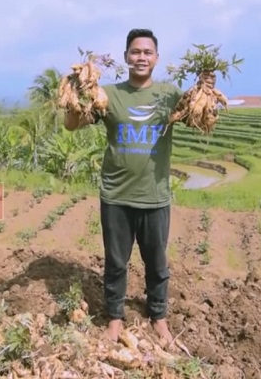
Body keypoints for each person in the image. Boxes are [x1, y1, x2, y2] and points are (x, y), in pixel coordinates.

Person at [64, 28, 183, 345]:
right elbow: (72, 125)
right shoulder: (107, 95)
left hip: (155, 196)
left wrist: (207, 89)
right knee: (116, 262)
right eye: (135, 51)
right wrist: (75, 96)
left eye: (147, 52)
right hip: (116, 195)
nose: (141, 57)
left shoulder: (170, 94)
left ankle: (159, 317)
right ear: (126, 57)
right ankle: (114, 319)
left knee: (157, 264)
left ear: (156, 58)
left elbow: (199, 117)